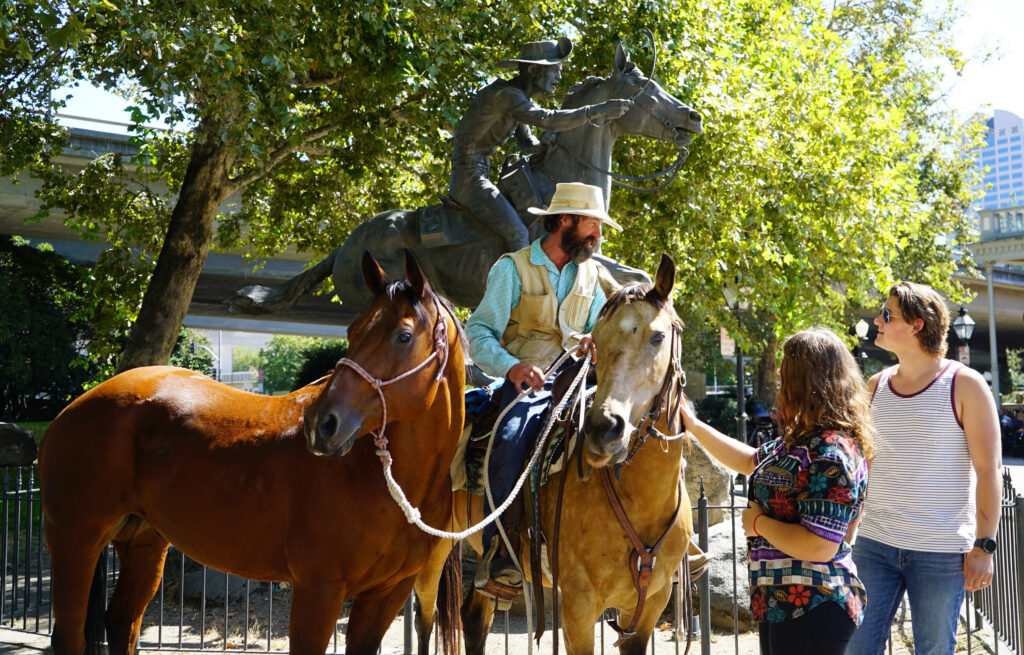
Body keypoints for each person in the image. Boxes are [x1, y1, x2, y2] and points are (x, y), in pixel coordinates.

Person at [464, 181, 620, 597]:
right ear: (564, 221)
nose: (598, 236)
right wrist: (512, 367)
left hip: (577, 382)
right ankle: (500, 554)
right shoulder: (511, 268)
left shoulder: (593, 273)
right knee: (512, 438)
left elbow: (593, 332)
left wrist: (594, 342)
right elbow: (477, 333)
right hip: (522, 387)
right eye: (593, 226)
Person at [681, 328, 874, 655]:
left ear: (806, 382)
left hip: (816, 603)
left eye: (787, 372)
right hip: (780, 601)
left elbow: (821, 545)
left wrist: (759, 525)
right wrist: (693, 425)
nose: (779, 379)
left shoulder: (831, 453)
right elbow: (746, 459)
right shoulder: (798, 441)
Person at [846, 282, 1001, 655]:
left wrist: (984, 546)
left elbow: (989, 470)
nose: (876, 320)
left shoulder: (964, 384)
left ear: (916, 325)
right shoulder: (875, 385)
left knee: (933, 650)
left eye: (886, 314)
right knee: (857, 649)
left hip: (940, 550)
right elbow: (863, 468)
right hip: (874, 544)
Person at [449, 37, 633, 252]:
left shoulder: (517, 98)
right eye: (555, 69)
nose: (560, 76)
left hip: (481, 175)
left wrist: (543, 144)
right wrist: (596, 110)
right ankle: (519, 284)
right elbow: (548, 118)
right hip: (469, 178)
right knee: (518, 233)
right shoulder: (505, 96)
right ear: (535, 70)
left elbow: (527, 143)